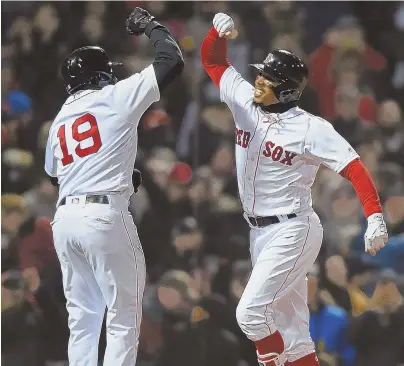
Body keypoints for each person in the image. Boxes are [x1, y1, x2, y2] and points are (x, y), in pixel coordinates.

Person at [200, 12, 388, 366]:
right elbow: (211, 60)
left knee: (250, 314)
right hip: (259, 232)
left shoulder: (310, 128)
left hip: (293, 228)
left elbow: (355, 168)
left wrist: (375, 216)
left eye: (267, 79)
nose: (257, 81)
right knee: (297, 339)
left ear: (286, 89)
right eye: (259, 74)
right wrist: (216, 33)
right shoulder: (244, 100)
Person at [44, 7, 184, 366]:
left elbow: (54, 174)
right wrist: (151, 27)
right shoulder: (114, 96)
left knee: (83, 319)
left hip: (65, 219)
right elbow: (171, 60)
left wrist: (114, 174)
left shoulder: (59, 119)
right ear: (102, 74)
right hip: (103, 216)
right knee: (123, 316)